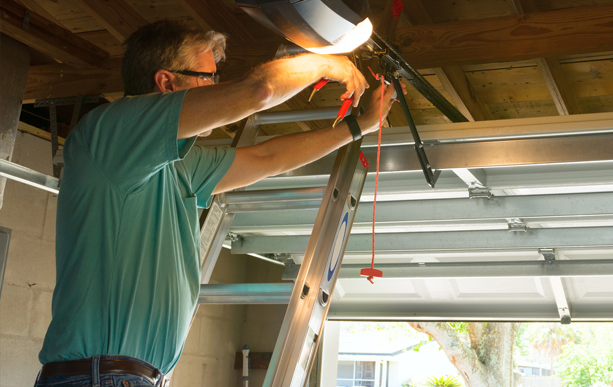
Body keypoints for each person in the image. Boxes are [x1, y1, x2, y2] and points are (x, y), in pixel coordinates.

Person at [35, 20, 400, 387]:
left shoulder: (177, 164)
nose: (215, 87)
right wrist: (326, 63)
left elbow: (266, 159)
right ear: (166, 82)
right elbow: (258, 91)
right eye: (207, 78)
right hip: (101, 377)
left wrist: (360, 126)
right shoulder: (110, 134)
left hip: (122, 377)